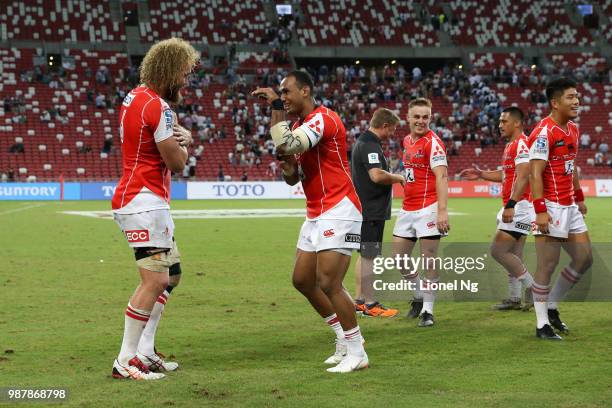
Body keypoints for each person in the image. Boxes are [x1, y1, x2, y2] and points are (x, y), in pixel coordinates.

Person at [252, 70, 368, 373]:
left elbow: (289, 144)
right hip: (317, 211)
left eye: (287, 91)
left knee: (329, 281)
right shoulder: (301, 125)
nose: (284, 97)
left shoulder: (323, 118)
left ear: (305, 91)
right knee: (302, 280)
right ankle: (343, 338)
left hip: (340, 208)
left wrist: (275, 107)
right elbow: (292, 177)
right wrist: (289, 167)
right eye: (281, 93)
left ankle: (357, 351)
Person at [110, 38, 199, 379]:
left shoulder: (136, 96)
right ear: (172, 70)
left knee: (171, 274)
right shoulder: (160, 107)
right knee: (155, 279)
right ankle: (125, 359)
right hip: (144, 202)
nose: (186, 82)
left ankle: (144, 350)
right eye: (185, 74)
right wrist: (186, 144)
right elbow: (176, 162)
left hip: (143, 200)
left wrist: (179, 136)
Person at [528, 77, 592, 340]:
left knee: (584, 258)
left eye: (577, 96)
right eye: (570, 97)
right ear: (555, 103)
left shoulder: (573, 129)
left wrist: (579, 195)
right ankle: (542, 324)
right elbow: (534, 174)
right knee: (548, 264)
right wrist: (541, 210)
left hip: (569, 204)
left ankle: (552, 306)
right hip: (550, 206)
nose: (576, 101)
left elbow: (571, 165)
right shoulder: (543, 132)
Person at [460, 107, 535, 311]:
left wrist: (511, 205)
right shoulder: (512, 145)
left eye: (504, 121)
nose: (500, 125)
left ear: (517, 123)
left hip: (519, 206)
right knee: (514, 255)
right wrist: (481, 174)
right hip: (516, 205)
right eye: (500, 121)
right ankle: (514, 298)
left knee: (498, 251)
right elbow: (506, 174)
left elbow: (524, 176)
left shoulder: (521, 145)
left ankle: (533, 289)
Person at [392, 98, 450, 327]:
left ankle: (428, 310)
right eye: (416, 116)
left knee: (429, 260)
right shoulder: (406, 140)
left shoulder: (434, 143)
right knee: (399, 257)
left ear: (430, 118)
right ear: (408, 117)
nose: (421, 121)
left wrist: (442, 212)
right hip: (407, 207)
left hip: (428, 208)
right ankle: (418, 295)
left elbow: (442, 176)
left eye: (425, 117)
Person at [350, 108, 405, 317]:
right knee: (369, 257)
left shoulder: (363, 142)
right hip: (371, 210)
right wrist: (398, 177)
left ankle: (360, 302)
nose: (393, 133)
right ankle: (371, 304)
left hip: (366, 209)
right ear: (385, 126)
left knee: (365, 255)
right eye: (392, 129)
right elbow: (376, 175)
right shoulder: (369, 144)